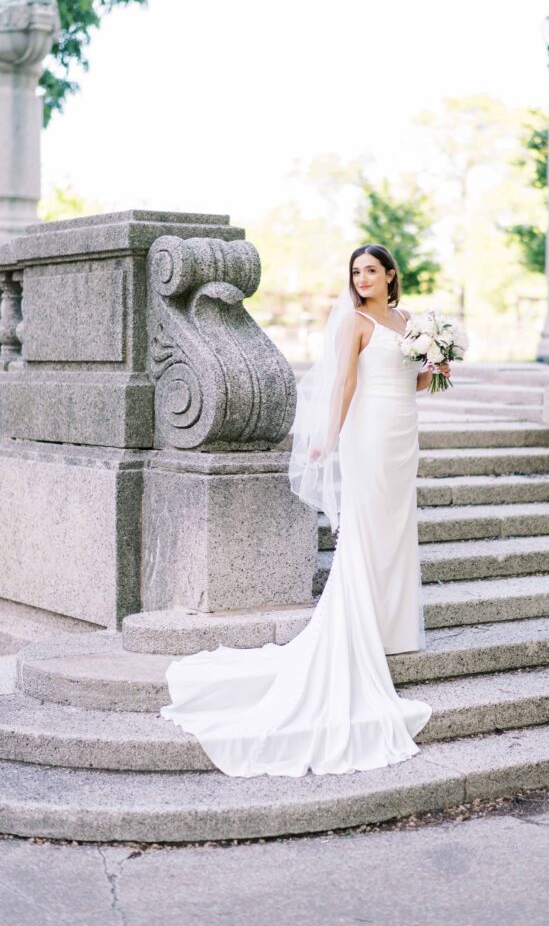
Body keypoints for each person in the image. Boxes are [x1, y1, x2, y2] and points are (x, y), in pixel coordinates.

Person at [160, 244, 451, 777]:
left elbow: (417, 383)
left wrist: (437, 363)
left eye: (371, 271)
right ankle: (361, 628)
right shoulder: (355, 322)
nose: (362, 279)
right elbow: (345, 383)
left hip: (403, 434)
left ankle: (394, 628)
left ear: (391, 275)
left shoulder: (410, 321)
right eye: (356, 272)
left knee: (395, 527)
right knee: (366, 529)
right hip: (368, 434)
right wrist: (329, 440)